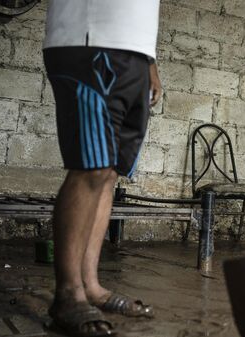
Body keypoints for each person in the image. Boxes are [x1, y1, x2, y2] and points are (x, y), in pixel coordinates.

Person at [42, 1, 161, 336]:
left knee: (109, 173)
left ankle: (90, 286)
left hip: (134, 51)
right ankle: (68, 293)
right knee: (91, 169)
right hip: (89, 39)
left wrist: (148, 60)